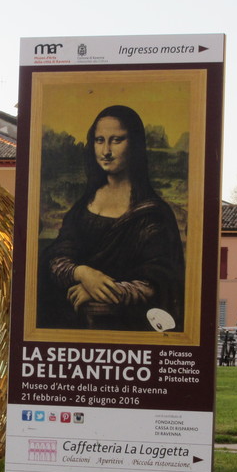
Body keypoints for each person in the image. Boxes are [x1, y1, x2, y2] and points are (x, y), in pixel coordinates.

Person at [38, 105, 185, 331]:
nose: (106, 150)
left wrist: (101, 290)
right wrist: (84, 273)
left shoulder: (153, 213)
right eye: (99, 140)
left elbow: (159, 282)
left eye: (116, 140)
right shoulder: (82, 207)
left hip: (133, 330)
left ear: (134, 144)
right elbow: (57, 259)